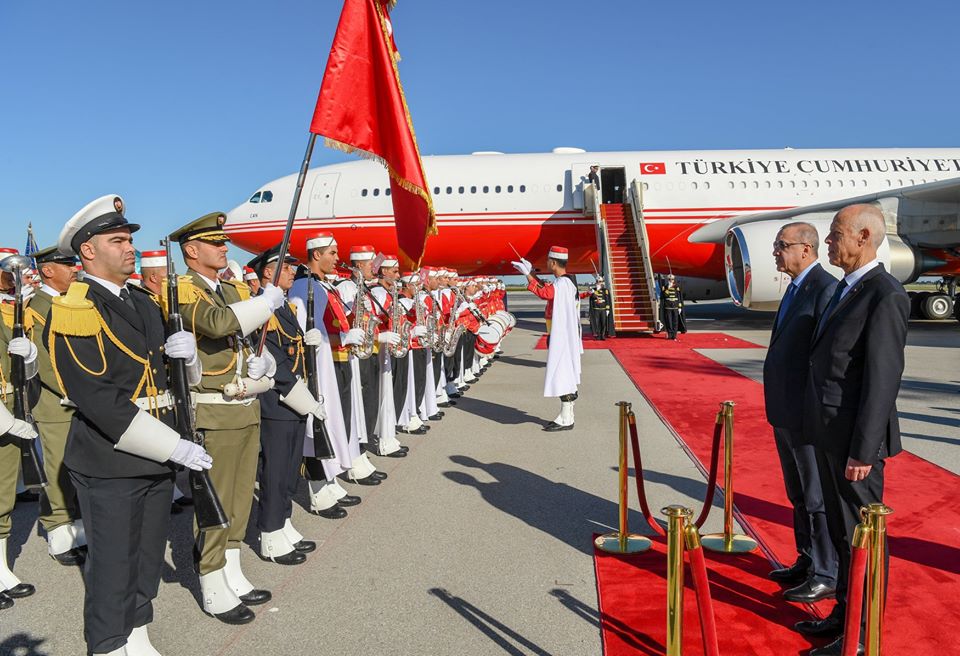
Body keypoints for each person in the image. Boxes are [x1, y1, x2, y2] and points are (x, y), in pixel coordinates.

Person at [47, 194, 207, 654]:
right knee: (113, 563)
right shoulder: (76, 306)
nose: (129, 247)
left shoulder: (141, 299)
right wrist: (173, 447)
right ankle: (108, 643)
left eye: (129, 238)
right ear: (88, 251)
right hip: (111, 459)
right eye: (117, 239)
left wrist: (191, 361)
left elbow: (166, 376)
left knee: (144, 557)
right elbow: (97, 398)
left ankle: (137, 632)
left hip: (155, 455)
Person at [797, 204, 909, 656]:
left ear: (863, 236)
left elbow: (882, 380)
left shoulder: (885, 294)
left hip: (854, 446)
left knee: (862, 538)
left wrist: (863, 451)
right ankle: (845, 614)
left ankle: (862, 637)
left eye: (835, 234)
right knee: (844, 537)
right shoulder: (848, 288)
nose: (828, 242)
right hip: (829, 434)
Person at [170, 212, 283, 625]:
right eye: (214, 242)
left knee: (237, 497)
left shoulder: (233, 288)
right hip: (213, 407)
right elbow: (217, 325)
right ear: (191, 251)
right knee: (214, 501)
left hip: (245, 401)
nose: (224, 247)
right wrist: (262, 302)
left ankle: (232, 569)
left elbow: (249, 336)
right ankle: (211, 578)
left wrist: (262, 360)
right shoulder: (184, 290)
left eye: (224, 241)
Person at [761, 223, 839, 603]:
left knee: (816, 495)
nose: (776, 251)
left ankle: (826, 571)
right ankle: (807, 557)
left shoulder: (824, 288)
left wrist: (813, 411)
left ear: (806, 249)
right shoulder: (795, 288)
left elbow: (822, 359)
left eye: (782, 245)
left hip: (806, 415)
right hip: (785, 411)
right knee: (797, 493)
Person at [248, 246, 324, 565]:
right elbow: (271, 359)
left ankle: (284, 524)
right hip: (278, 401)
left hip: (293, 397)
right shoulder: (260, 307)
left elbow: (291, 352)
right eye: (287, 267)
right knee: (275, 471)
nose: (294, 272)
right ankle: (269, 533)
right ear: (267, 271)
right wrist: (302, 396)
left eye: (294, 267)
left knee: (290, 468)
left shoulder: (284, 306)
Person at [288, 232, 364, 518]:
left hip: (324, 364)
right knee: (315, 428)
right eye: (332, 252)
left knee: (329, 424)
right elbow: (303, 334)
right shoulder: (303, 286)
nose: (336, 257)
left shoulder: (318, 284)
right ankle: (318, 491)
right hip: (313, 367)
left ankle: (329, 483)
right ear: (316, 254)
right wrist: (342, 338)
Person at [25, 246, 88, 565]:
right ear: (48, 270)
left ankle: (77, 527)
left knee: (77, 467)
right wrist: (76, 390)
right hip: (56, 402)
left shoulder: (66, 302)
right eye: (67, 266)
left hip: (78, 398)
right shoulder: (36, 307)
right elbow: (45, 363)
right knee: (58, 469)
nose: (74, 270)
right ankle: (59, 532)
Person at [0, 248, 40, 611]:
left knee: (1, 498)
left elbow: (26, 375)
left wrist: (29, 359)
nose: (12, 280)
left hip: (10, 408)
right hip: (2, 416)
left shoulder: (12, 313)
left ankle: (0, 568)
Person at [512, 246, 583, 431]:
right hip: (561, 336)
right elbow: (548, 289)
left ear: (553, 262)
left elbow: (545, 293)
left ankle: (566, 418)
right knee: (564, 374)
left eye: (547, 261)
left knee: (562, 374)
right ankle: (567, 415)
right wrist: (532, 275)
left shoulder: (563, 284)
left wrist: (528, 275)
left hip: (561, 338)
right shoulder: (566, 283)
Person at [660, 274, 684, 340]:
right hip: (668, 306)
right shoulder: (665, 287)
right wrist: (666, 289)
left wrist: (679, 307)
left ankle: (674, 335)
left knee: (675, 322)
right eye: (670, 279)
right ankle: (670, 335)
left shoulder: (677, 287)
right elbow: (664, 296)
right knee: (669, 321)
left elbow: (679, 297)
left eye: (672, 279)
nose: (671, 280)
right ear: (668, 280)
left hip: (675, 306)